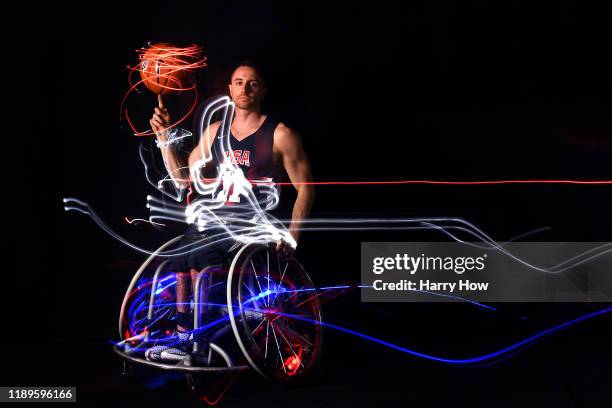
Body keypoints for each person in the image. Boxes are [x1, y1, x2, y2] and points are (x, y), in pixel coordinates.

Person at [145, 61, 315, 361]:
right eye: (238, 82)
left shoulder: (281, 134)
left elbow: (306, 188)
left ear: (263, 90)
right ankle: (186, 337)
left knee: (200, 260)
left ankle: (196, 337)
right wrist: (165, 137)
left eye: (252, 83)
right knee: (183, 258)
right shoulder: (215, 132)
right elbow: (184, 178)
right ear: (230, 88)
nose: (244, 88)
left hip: (251, 225)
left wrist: (292, 236)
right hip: (214, 221)